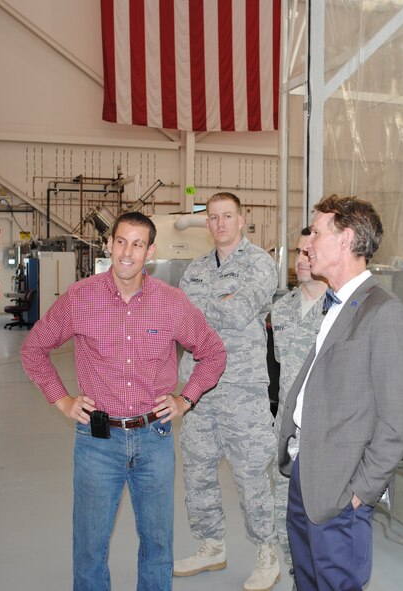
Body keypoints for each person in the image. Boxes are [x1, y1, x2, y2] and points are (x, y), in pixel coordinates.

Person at [21, 211, 226, 591]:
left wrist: (185, 399)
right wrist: (63, 401)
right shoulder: (80, 298)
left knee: (158, 545)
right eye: (121, 242)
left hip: (155, 439)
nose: (127, 252)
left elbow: (213, 351)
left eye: (137, 244)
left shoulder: (172, 302)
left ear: (150, 251)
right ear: (109, 245)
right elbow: (34, 349)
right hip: (97, 441)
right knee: (90, 547)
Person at [277, 195, 403, 591]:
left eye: (317, 233)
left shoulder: (384, 312)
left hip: (342, 488)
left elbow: (400, 417)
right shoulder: (338, 304)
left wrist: (361, 492)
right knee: (306, 580)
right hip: (307, 470)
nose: (307, 244)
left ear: (346, 239)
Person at [174, 192, 280, 591]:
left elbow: (239, 312)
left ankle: (266, 554)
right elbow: (182, 323)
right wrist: (216, 303)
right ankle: (211, 545)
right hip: (198, 386)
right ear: (208, 224)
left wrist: (200, 307)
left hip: (242, 385)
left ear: (242, 219)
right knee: (198, 468)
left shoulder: (260, 263)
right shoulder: (196, 268)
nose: (220, 223)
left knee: (251, 472)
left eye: (227, 216)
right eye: (213, 217)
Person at [268, 227, 327, 578]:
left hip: (324, 434)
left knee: (322, 518)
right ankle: (296, 575)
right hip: (287, 433)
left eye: (309, 252)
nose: (301, 259)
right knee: (283, 515)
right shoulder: (282, 309)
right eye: (298, 252)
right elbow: (281, 366)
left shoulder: (340, 310)